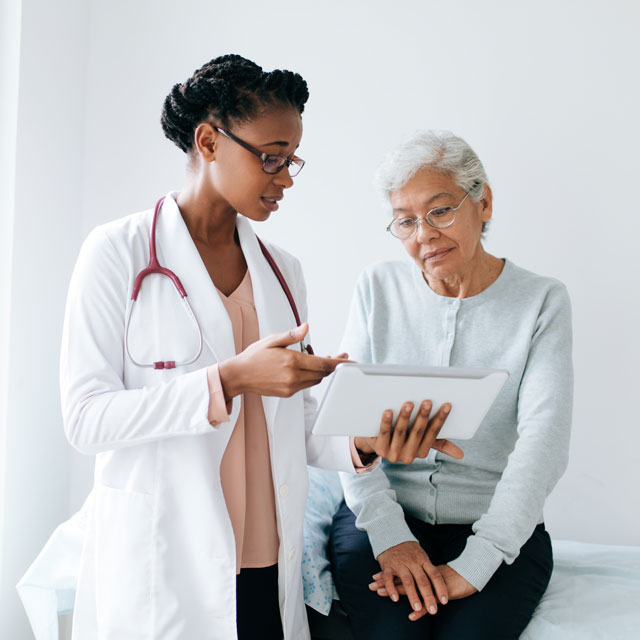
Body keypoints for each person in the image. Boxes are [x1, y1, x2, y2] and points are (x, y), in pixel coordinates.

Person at [58, 56, 459, 640]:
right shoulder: (116, 253)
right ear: (208, 140)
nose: (286, 177)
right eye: (271, 156)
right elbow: (85, 419)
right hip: (166, 563)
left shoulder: (283, 271)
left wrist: (369, 440)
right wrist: (229, 380)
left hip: (266, 561)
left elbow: (295, 425)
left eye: (292, 160)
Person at [330, 130, 573, 640]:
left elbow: (543, 443)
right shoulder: (377, 287)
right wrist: (392, 537)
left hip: (498, 525)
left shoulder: (542, 301)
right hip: (382, 517)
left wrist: (479, 560)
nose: (424, 235)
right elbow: (345, 426)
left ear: (483, 202)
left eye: (440, 211)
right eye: (405, 221)